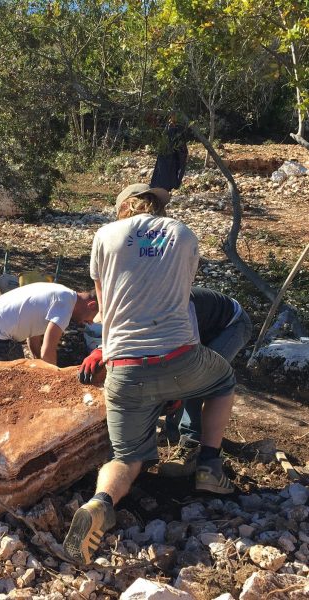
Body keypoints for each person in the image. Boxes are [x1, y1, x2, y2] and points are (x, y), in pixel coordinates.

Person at [63, 183, 236, 565]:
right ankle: (208, 465)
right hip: (180, 355)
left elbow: (105, 306)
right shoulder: (183, 233)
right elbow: (181, 292)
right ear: (157, 206)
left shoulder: (105, 235)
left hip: (124, 366)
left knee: (127, 456)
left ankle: (99, 503)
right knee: (222, 381)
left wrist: (104, 350)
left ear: (123, 206)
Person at [160, 287, 252, 476]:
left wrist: (177, 392)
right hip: (202, 328)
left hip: (233, 325)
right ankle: (172, 431)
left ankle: (191, 445)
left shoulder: (173, 310)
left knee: (202, 378)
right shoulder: (144, 310)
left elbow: (189, 365)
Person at [0, 282, 98, 365]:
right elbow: (48, 351)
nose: (90, 322)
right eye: (93, 317)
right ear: (91, 305)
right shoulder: (65, 307)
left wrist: (38, 362)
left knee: (21, 373)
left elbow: (34, 334)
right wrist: (55, 378)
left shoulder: (62, 293)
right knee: (10, 383)